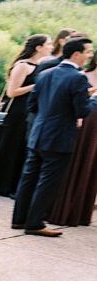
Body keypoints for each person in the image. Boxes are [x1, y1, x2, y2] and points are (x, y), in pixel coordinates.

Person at [13, 36, 97, 237]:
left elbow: (32, 105)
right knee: (48, 182)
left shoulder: (46, 73)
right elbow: (82, 111)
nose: (90, 56)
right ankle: (34, 223)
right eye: (87, 52)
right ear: (76, 54)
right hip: (59, 137)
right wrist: (94, 99)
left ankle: (19, 220)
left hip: (39, 133)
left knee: (29, 178)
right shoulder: (78, 78)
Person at [0, 34, 49, 197]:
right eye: (48, 44)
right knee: (8, 147)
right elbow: (12, 92)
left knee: (19, 149)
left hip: (28, 111)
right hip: (16, 111)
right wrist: (36, 85)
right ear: (38, 47)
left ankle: (10, 185)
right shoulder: (23, 65)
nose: (51, 47)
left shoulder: (40, 65)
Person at [49, 52, 97, 227]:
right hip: (81, 124)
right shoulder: (82, 76)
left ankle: (79, 212)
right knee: (73, 163)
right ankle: (60, 209)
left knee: (90, 166)